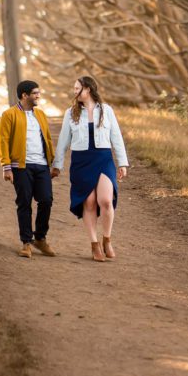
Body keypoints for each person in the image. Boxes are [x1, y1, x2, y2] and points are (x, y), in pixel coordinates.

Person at [51, 76, 129, 262]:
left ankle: (107, 239)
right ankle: (94, 244)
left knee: (106, 200)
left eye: (77, 88)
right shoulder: (71, 113)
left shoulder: (106, 110)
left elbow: (116, 137)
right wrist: (57, 165)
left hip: (103, 159)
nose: (74, 91)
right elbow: (63, 141)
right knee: (89, 202)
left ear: (87, 89)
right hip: (81, 161)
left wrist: (122, 162)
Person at [0, 80, 57, 258]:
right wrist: (6, 167)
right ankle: (26, 242)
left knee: (46, 200)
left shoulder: (41, 115)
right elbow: (3, 141)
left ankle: (40, 238)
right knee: (24, 203)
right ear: (24, 95)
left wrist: (53, 163)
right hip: (21, 167)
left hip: (42, 165)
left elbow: (48, 139)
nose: (38, 96)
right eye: (35, 93)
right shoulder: (9, 114)